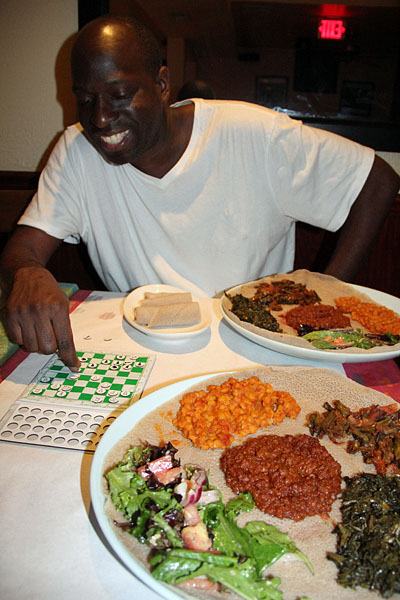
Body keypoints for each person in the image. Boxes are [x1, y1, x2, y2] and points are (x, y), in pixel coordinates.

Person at [0, 15, 398, 372]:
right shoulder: (76, 151)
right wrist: (27, 271)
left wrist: (324, 294)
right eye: (85, 100)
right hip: (141, 350)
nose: (100, 118)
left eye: (119, 95)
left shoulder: (253, 134)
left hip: (258, 350)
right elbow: (24, 249)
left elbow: (377, 180)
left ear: (161, 84)